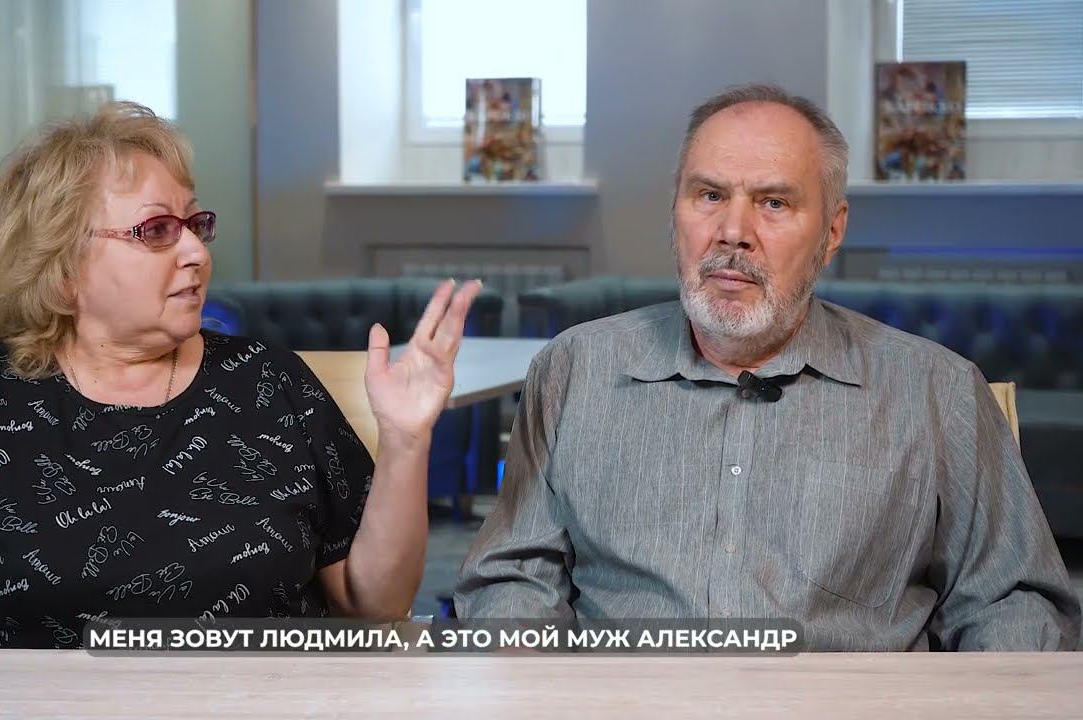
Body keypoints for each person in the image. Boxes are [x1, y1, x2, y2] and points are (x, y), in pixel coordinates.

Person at [454, 84, 1080, 651]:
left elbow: (1013, 603)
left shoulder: (936, 391)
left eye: (774, 203)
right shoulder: (573, 370)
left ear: (832, 231)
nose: (733, 231)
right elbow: (515, 577)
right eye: (709, 195)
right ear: (675, 211)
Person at [0, 101, 481, 648]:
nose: (197, 253)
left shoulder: (271, 385)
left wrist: (405, 440)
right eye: (156, 231)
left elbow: (376, 607)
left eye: (195, 225)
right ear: (63, 269)